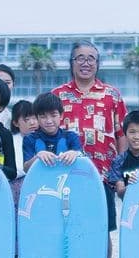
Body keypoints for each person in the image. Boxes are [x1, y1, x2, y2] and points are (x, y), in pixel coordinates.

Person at [52, 41, 128, 234]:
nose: (86, 63)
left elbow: (122, 135)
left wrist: (121, 172)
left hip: (103, 175)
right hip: (65, 175)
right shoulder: (57, 95)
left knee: (101, 230)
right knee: (66, 228)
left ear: (97, 63)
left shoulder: (112, 95)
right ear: (72, 62)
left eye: (91, 58)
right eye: (80, 58)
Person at [8, 99, 38, 258]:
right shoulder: (12, 140)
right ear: (17, 122)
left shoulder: (42, 140)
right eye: (26, 119)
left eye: (35, 117)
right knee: (12, 245)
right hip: (14, 191)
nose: (32, 122)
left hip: (36, 193)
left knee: (33, 244)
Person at [22, 92, 83, 172]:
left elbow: (82, 162)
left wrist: (75, 154)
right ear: (37, 118)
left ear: (61, 115)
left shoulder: (71, 136)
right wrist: (37, 157)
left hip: (66, 181)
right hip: (41, 182)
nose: (49, 121)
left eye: (53, 115)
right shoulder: (29, 139)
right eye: (43, 117)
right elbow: (26, 169)